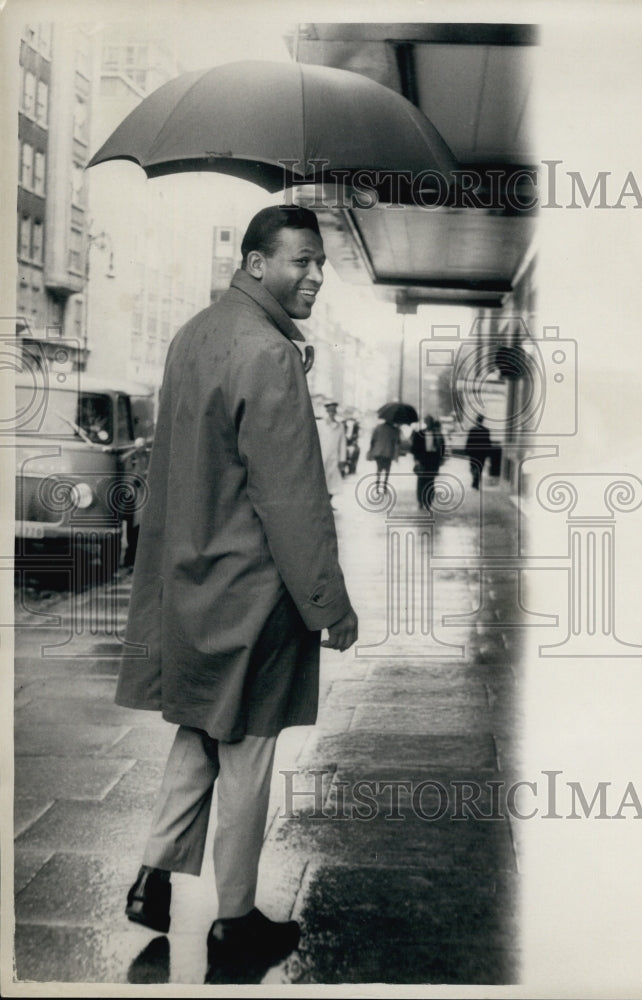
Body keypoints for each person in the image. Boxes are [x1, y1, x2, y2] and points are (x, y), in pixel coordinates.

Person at [115, 205, 358, 974]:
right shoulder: (267, 351)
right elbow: (289, 497)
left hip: (190, 579)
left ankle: (153, 881)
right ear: (255, 263)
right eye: (300, 261)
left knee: (198, 729)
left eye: (320, 263)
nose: (315, 275)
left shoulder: (194, 333)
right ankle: (234, 920)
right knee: (247, 750)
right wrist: (328, 602)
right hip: (254, 590)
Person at [411, 415, 445, 511]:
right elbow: (414, 449)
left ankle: (428, 501)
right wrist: (416, 460)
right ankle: (420, 501)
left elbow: (442, 448)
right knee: (421, 481)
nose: (429, 423)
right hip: (422, 460)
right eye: (427, 421)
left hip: (433, 460)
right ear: (425, 422)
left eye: (430, 421)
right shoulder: (419, 434)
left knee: (430, 481)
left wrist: (441, 459)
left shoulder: (437, 435)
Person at [316, 398, 345, 506]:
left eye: (334, 411)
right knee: (321, 479)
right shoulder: (320, 424)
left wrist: (342, 459)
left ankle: (329, 501)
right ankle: (321, 502)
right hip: (321, 456)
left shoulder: (339, 426)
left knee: (332, 480)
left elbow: (342, 443)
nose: (332, 413)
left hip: (333, 457)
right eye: (330, 411)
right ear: (327, 411)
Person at [367, 417, 401, 494]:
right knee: (387, 471)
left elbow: (372, 440)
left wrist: (371, 450)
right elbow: (397, 442)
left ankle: (377, 487)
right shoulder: (394, 430)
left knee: (379, 470)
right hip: (388, 453)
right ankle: (384, 487)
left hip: (378, 452)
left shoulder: (378, 427)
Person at [465, 414, 494, 490]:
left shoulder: (472, 430)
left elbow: (469, 441)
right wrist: (489, 454)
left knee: (473, 467)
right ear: (482, 421)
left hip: (473, 453)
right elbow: (488, 443)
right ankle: (476, 482)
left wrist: (467, 450)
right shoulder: (486, 431)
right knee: (480, 468)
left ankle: (475, 481)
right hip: (482, 453)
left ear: (476, 420)